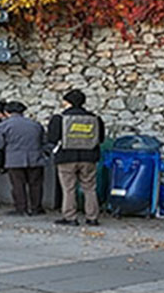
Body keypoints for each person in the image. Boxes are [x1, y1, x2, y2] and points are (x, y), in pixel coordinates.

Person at [48, 89, 105, 226]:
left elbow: (52, 138)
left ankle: (70, 217)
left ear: (67, 102)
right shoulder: (95, 119)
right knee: (90, 188)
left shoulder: (59, 118)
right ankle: (92, 217)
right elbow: (101, 138)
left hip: (66, 157)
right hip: (89, 157)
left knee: (69, 189)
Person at [0, 101, 46, 216]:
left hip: (14, 159)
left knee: (18, 185)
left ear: (6, 112)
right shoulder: (35, 124)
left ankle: (21, 208)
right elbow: (43, 141)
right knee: (36, 184)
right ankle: (36, 208)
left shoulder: (2, 126)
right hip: (35, 157)